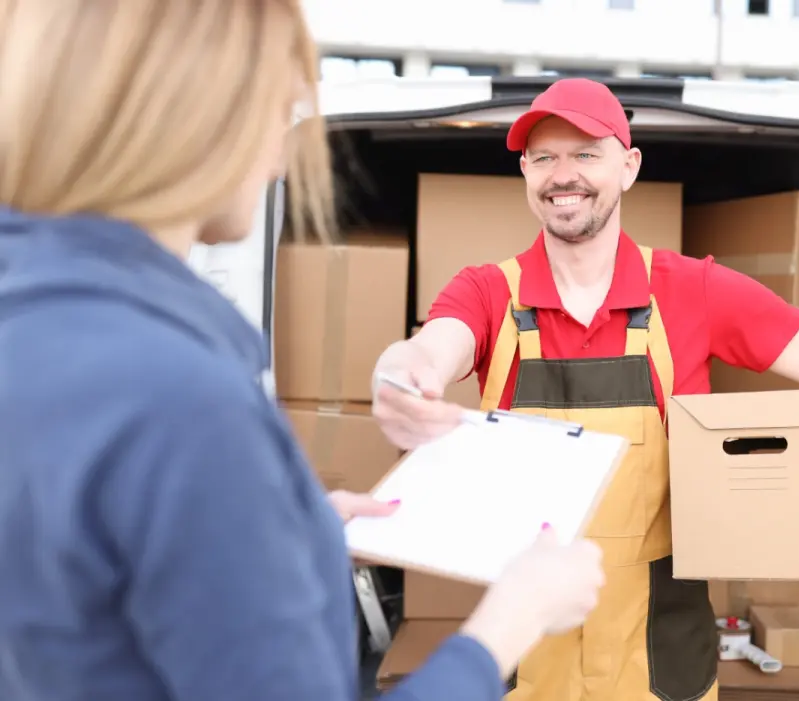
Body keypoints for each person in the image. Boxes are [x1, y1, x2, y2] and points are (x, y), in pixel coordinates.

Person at [0, 3, 606, 701]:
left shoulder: (44, 328)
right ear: (194, 117)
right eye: (279, 111)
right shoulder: (184, 403)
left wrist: (289, 526)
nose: (281, 154)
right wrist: (512, 618)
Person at [371, 77, 799, 701]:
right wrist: (404, 374)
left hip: (659, 659)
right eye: (543, 157)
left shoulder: (692, 291)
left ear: (628, 166)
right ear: (524, 171)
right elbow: (433, 346)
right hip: (527, 654)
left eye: (585, 154)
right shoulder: (488, 293)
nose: (562, 174)